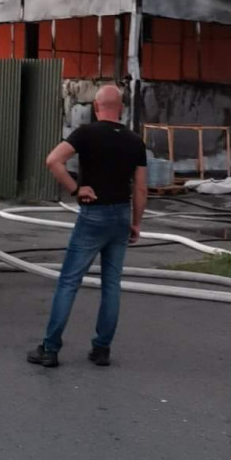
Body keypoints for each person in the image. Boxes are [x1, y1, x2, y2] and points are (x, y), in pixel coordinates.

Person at [28, 85, 147, 368]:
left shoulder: (86, 133)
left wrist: (76, 189)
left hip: (93, 214)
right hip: (120, 214)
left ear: (96, 107)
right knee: (112, 284)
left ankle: (50, 348)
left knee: (69, 281)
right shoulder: (135, 141)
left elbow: (53, 160)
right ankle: (101, 349)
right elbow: (141, 189)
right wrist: (136, 223)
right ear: (122, 108)